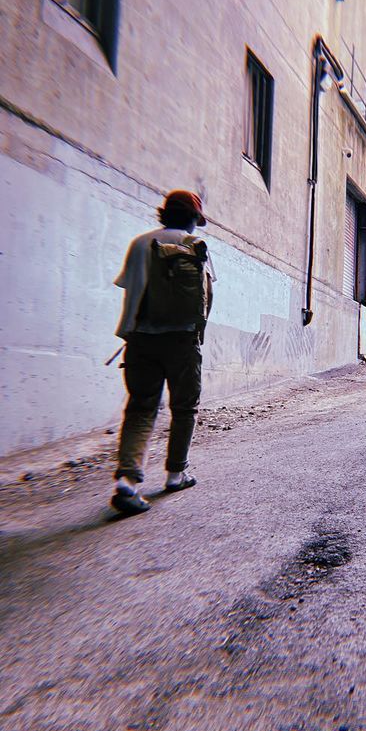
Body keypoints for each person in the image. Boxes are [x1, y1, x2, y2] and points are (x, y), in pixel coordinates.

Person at [110, 190, 215, 514]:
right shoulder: (197, 246)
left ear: (164, 213)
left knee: (141, 409)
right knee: (184, 408)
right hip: (183, 341)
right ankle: (175, 474)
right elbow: (207, 297)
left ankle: (127, 483)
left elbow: (129, 288)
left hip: (141, 339)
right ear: (193, 219)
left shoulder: (140, 243)